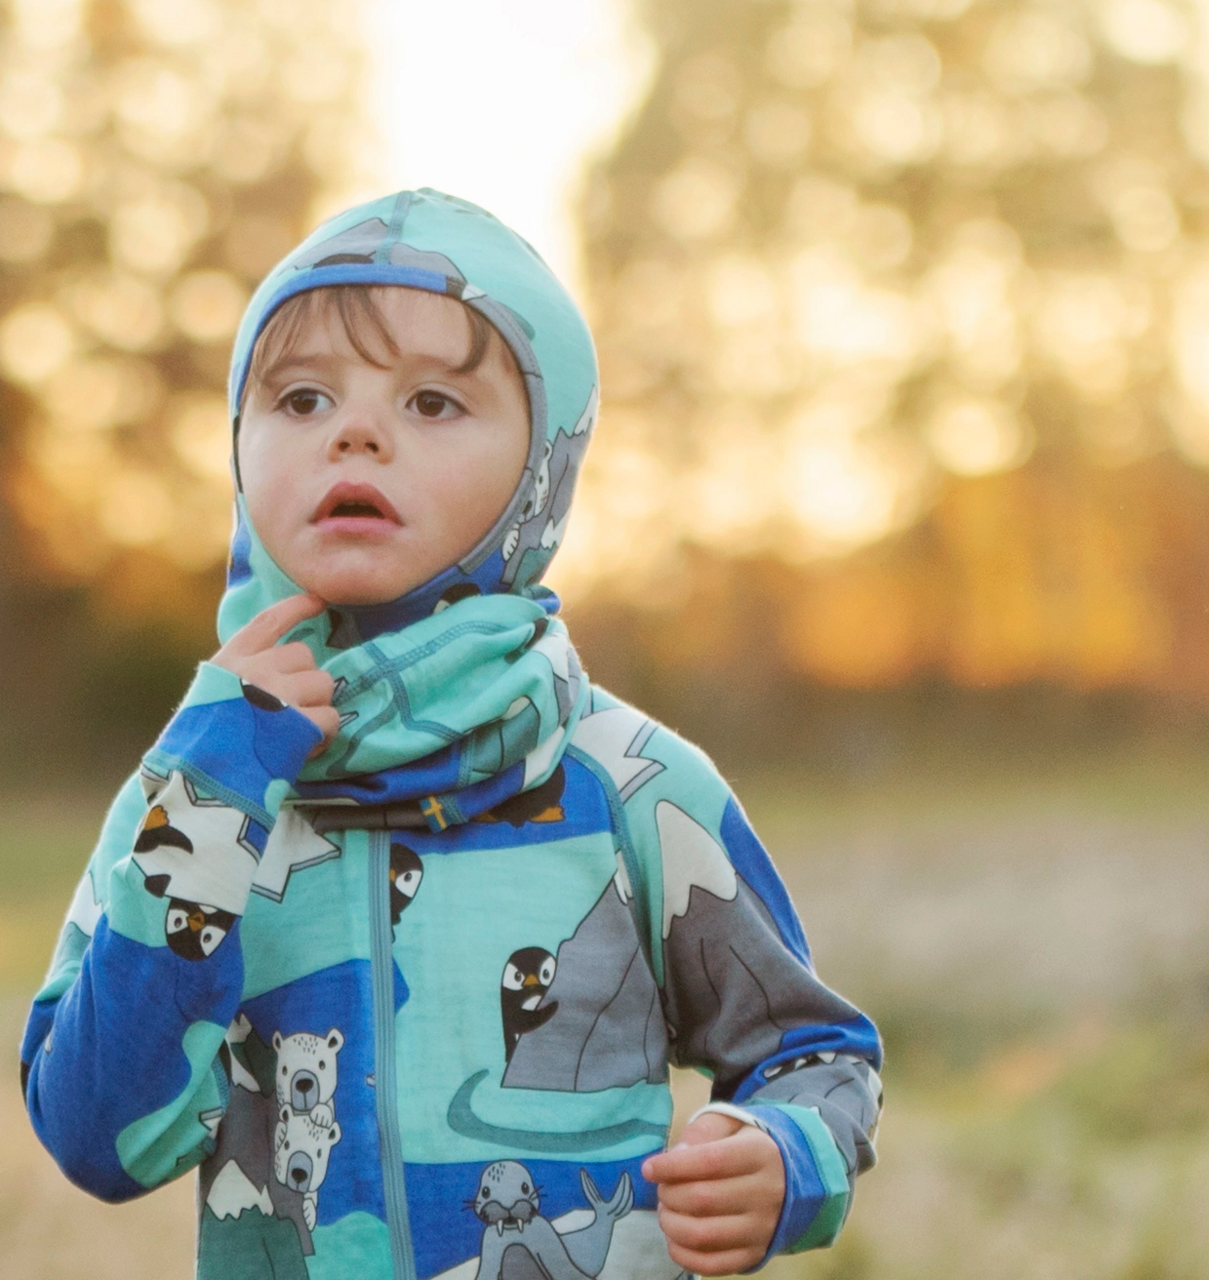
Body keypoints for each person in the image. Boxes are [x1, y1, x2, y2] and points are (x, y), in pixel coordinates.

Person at [19, 189, 883, 1280]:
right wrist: (212, 787)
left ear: (540, 470)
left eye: (432, 402)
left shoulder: (630, 784)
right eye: (298, 396)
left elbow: (813, 1051)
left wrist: (783, 1154)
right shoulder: (188, 792)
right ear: (237, 446)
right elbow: (98, 1136)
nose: (356, 429)